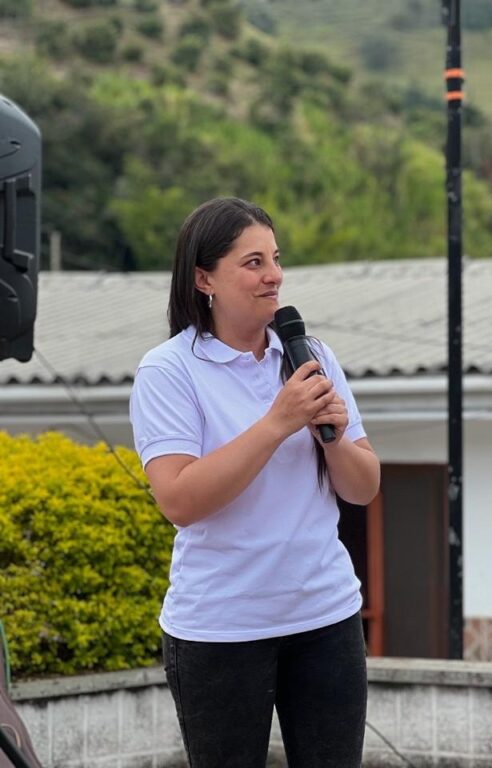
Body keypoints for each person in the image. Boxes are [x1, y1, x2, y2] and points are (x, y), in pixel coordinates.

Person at [129, 197, 380, 767]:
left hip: (325, 615)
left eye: (276, 258)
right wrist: (277, 422)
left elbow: (363, 488)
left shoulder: (310, 356)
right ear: (203, 278)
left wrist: (333, 436)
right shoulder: (168, 371)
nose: (275, 276)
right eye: (253, 262)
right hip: (220, 627)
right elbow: (180, 499)